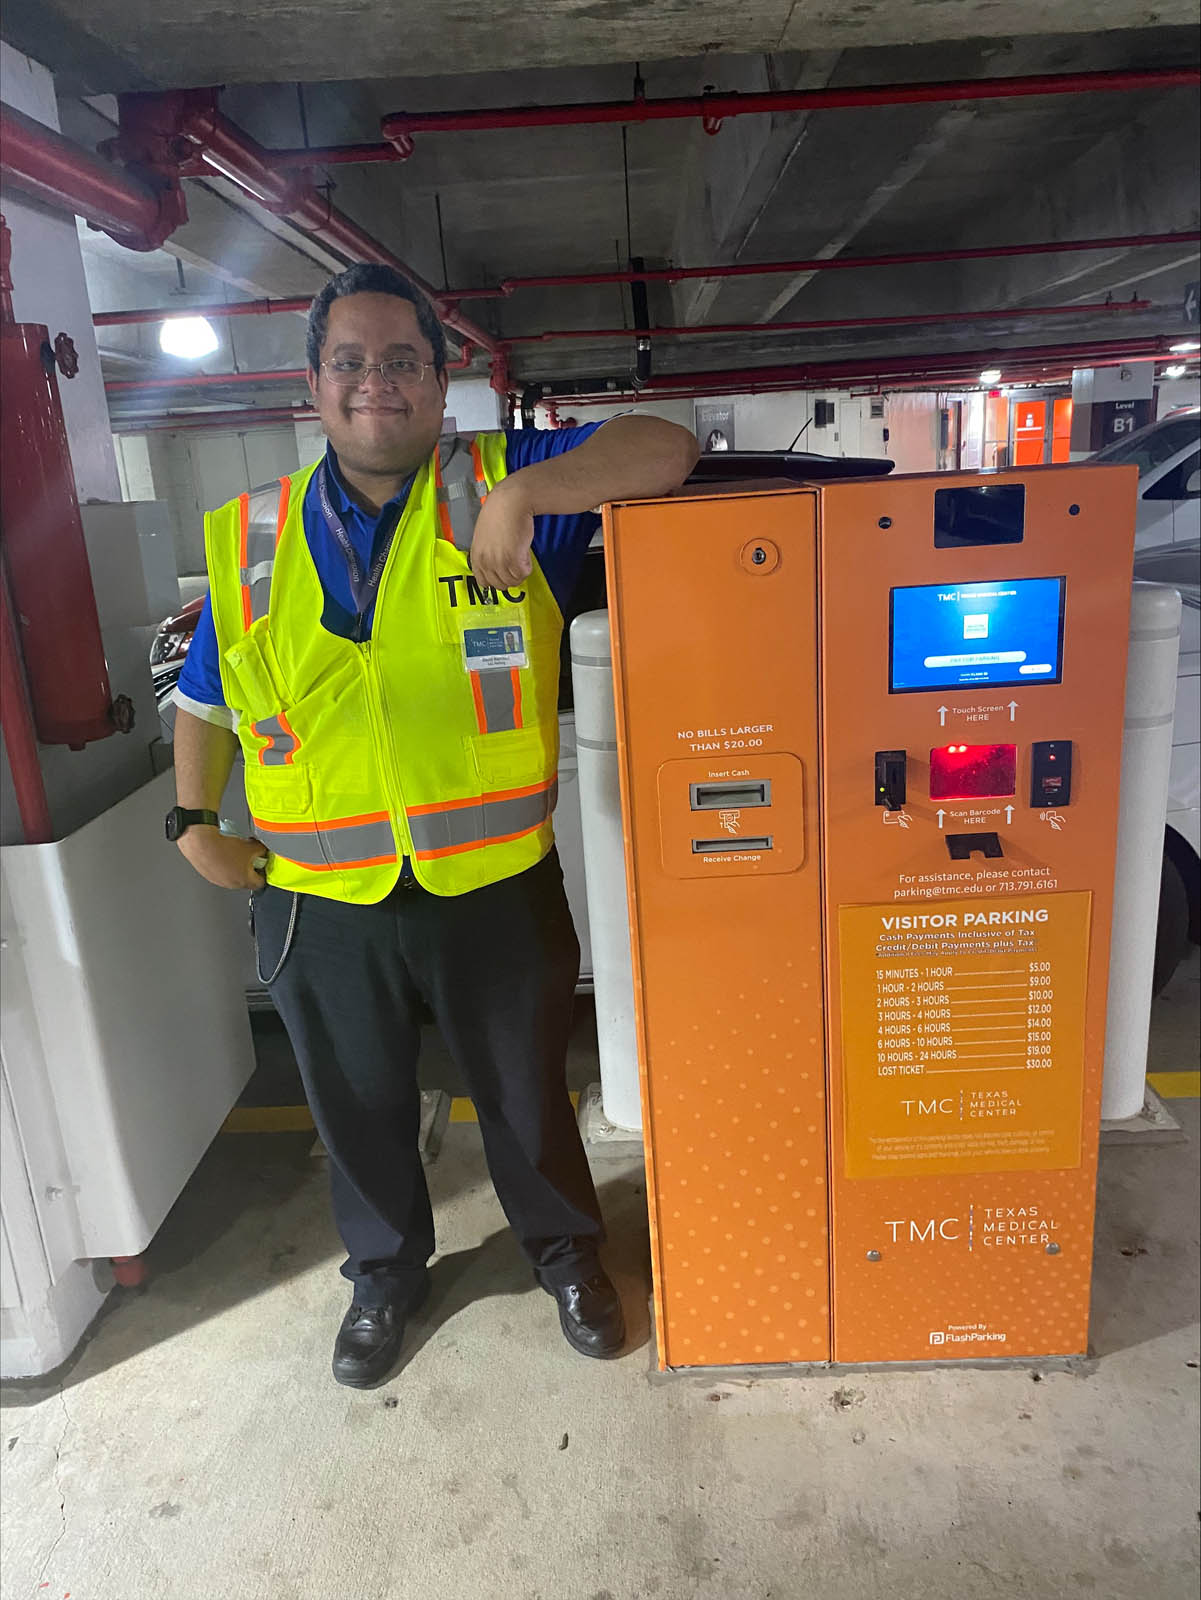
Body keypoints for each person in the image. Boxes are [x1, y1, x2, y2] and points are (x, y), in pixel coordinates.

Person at [168, 262, 699, 1387]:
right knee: (354, 1104)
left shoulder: (503, 481)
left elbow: (668, 445)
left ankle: (566, 1254)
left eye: (402, 360)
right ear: (314, 384)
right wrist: (191, 819)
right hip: (313, 892)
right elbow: (207, 697)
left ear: (440, 377)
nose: (377, 382)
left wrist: (529, 496)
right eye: (350, 362)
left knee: (524, 1091)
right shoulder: (251, 534)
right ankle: (383, 1275)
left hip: (492, 881)